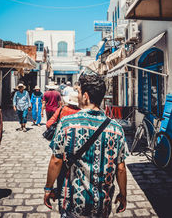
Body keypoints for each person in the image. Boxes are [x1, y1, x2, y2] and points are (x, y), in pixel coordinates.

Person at [44, 73, 128, 218]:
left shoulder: (67, 123)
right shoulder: (116, 128)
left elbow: (56, 160)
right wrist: (123, 194)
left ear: (86, 96)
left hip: (73, 203)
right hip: (102, 204)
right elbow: (120, 168)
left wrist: (48, 188)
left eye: (79, 92)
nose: (78, 95)